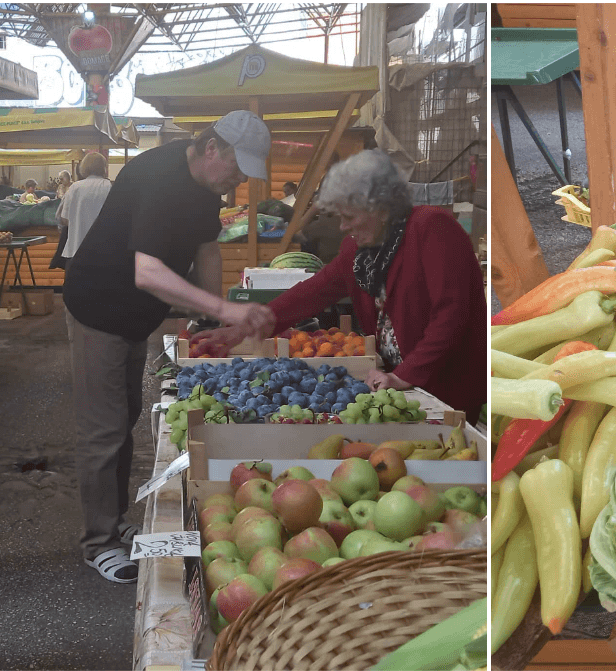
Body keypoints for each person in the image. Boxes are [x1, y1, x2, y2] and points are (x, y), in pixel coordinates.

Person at [62, 110, 275, 583]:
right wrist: (227, 311)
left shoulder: (205, 190)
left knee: (124, 418)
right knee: (104, 429)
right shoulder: (159, 176)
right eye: (236, 168)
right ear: (212, 148)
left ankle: (113, 524)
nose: (238, 180)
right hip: (99, 310)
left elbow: (207, 248)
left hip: (133, 317)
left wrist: (210, 315)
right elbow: (149, 272)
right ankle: (99, 542)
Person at [196, 149, 487, 422]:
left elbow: (451, 315)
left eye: (349, 217)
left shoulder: (432, 228)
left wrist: (404, 376)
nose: (342, 228)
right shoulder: (359, 249)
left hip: (445, 389)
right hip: (400, 387)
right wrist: (244, 327)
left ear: (382, 209)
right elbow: (313, 292)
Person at [53, 152, 110, 336]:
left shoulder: (75, 188)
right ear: (104, 167)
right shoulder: (110, 187)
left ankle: (75, 335)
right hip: (103, 256)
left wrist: (80, 219)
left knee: (75, 301)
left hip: (76, 252)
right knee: (101, 302)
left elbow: (63, 219)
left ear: (83, 167)